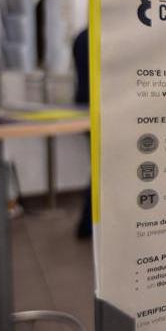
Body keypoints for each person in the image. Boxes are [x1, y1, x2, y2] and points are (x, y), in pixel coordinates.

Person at [73, 27, 92, 239]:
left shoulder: (81, 36)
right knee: (103, 168)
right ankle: (87, 223)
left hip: (85, 106)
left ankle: (88, 223)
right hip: (99, 107)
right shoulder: (102, 34)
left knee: (99, 166)